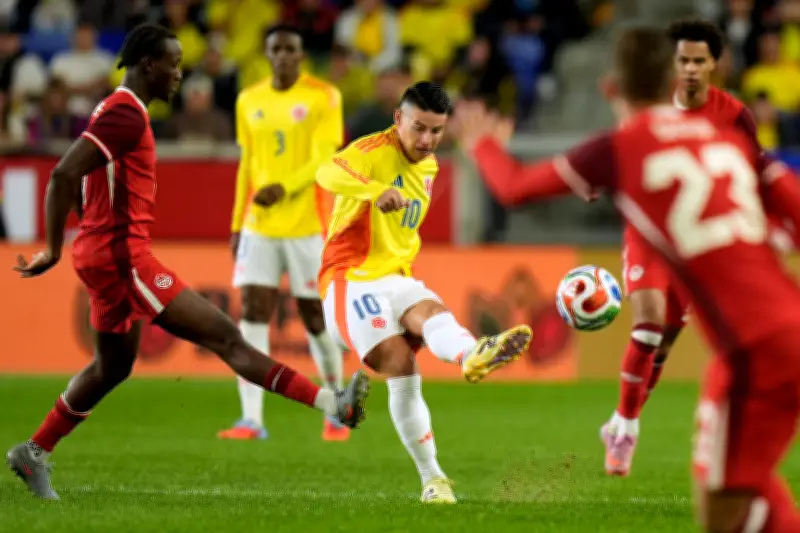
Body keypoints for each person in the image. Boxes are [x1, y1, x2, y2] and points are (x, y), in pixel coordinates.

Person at [454, 25, 800, 533]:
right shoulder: (726, 135)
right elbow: (783, 195)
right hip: (767, 336)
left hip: (758, 351)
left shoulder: (618, 149)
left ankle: (625, 425)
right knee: (728, 494)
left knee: (724, 510)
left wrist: (481, 144)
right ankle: (626, 422)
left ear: (610, 89)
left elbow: (513, 187)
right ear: (670, 83)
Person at [6, 24, 369, 501]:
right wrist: (53, 248)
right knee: (226, 336)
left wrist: (86, 226)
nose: (179, 74)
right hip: (123, 257)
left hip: (103, 253)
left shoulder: (113, 110)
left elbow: (78, 177)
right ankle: (334, 404)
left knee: (112, 366)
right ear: (147, 65)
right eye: (173, 64)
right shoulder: (126, 114)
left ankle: (33, 452)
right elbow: (61, 173)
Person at [315, 81, 533, 504]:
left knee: (432, 310)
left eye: (437, 131)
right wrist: (375, 191)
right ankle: (432, 478)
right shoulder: (371, 151)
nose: (427, 140)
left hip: (397, 277)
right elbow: (326, 172)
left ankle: (473, 355)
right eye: (419, 128)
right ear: (398, 118)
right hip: (350, 279)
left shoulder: (429, 166)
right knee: (400, 365)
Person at [223, 24, 348, 442]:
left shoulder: (324, 96)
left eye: (290, 49)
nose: (282, 56)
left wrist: (285, 187)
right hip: (259, 226)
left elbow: (324, 158)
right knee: (253, 313)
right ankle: (252, 419)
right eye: (275, 49)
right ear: (267, 53)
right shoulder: (249, 98)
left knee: (315, 317)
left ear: (301, 55)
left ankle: (337, 406)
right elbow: (246, 164)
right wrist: (237, 223)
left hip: (307, 224)